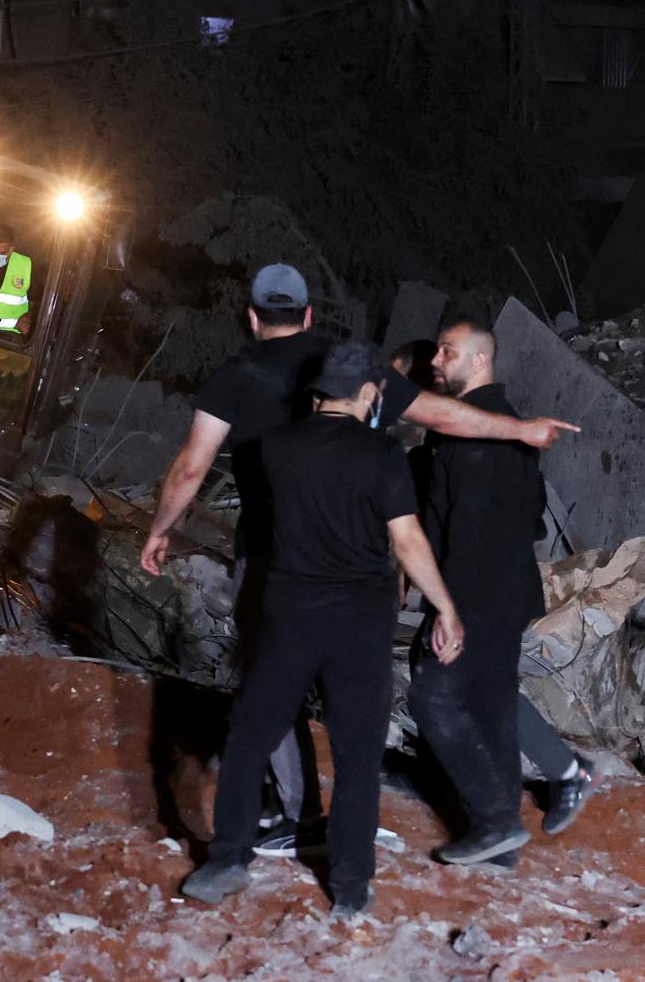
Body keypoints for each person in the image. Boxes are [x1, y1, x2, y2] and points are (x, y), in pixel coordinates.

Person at [140, 264, 578, 850]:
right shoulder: (348, 366)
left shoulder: (234, 376)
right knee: (359, 699)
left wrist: (161, 529)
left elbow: (193, 467)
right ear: (309, 315)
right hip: (360, 565)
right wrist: (519, 431)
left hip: (277, 558)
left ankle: (295, 817)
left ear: (251, 317)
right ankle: (354, 842)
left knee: (272, 684)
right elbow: (440, 415)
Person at [179, 341, 465, 916]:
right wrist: (447, 608)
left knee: (251, 734)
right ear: (366, 393)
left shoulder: (276, 448)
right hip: (360, 621)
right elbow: (406, 540)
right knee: (358, 754)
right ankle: (352, 890)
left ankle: (227, 860)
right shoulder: (383, 454)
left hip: (288, 614)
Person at [390, 332, 597, 841]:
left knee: (437, 692)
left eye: (447, 352)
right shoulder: (483, 427)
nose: (437, 362)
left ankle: (506, 811)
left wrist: (447, 607)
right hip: (493, 588)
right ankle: (543, 787)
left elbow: (474, 533)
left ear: (481, 358)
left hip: (482, 591)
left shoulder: (482, 432)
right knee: (488, 689)